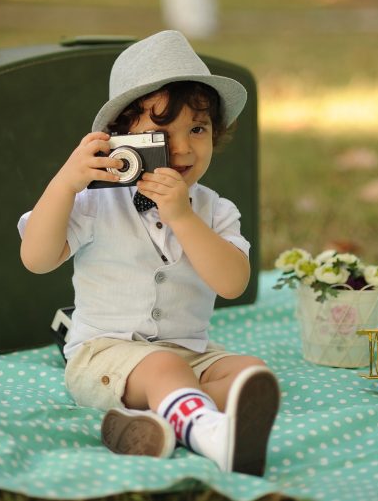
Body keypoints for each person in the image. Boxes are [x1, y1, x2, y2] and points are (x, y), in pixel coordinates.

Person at [18, 30, 279, 476]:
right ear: (122, 138)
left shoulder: (215, 209)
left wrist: (183, 217)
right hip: (103, 357)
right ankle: (213, 437)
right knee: (161, 367)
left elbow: (232, 282)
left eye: (198, 129)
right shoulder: (97, 203)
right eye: (161, 131)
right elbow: (37, 258)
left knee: (251, 374)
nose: (183, 148)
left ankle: (150, 422)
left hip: (189, 355)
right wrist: (64, 184)